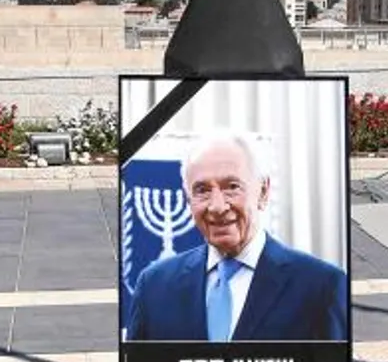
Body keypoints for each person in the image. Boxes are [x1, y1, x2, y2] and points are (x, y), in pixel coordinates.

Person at [126, 131, 347, 342]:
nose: (217, 206)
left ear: (263, 191)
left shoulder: (322, 287)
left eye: (232, 187)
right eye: (202, 190)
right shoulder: (154, 286)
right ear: (188, 199)